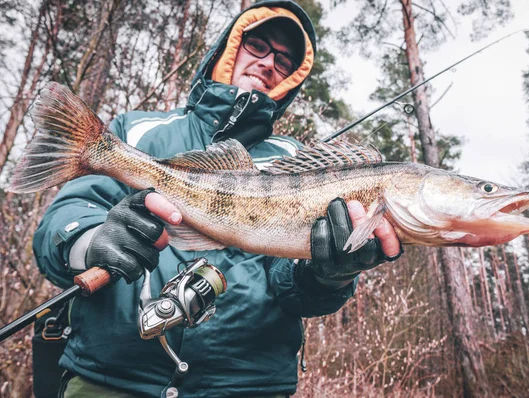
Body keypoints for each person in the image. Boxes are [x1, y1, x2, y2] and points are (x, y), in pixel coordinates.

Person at [33, 1, 401, 397]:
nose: (267, 63)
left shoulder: (297, 162)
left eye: (283, 61)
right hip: (110, 379)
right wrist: (91, 243)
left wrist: (330, 276)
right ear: (228, 49)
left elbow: (290, 285)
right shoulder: (137, 131)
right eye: (257, 46)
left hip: (245, 386)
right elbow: (64, 221)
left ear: (291, 79)